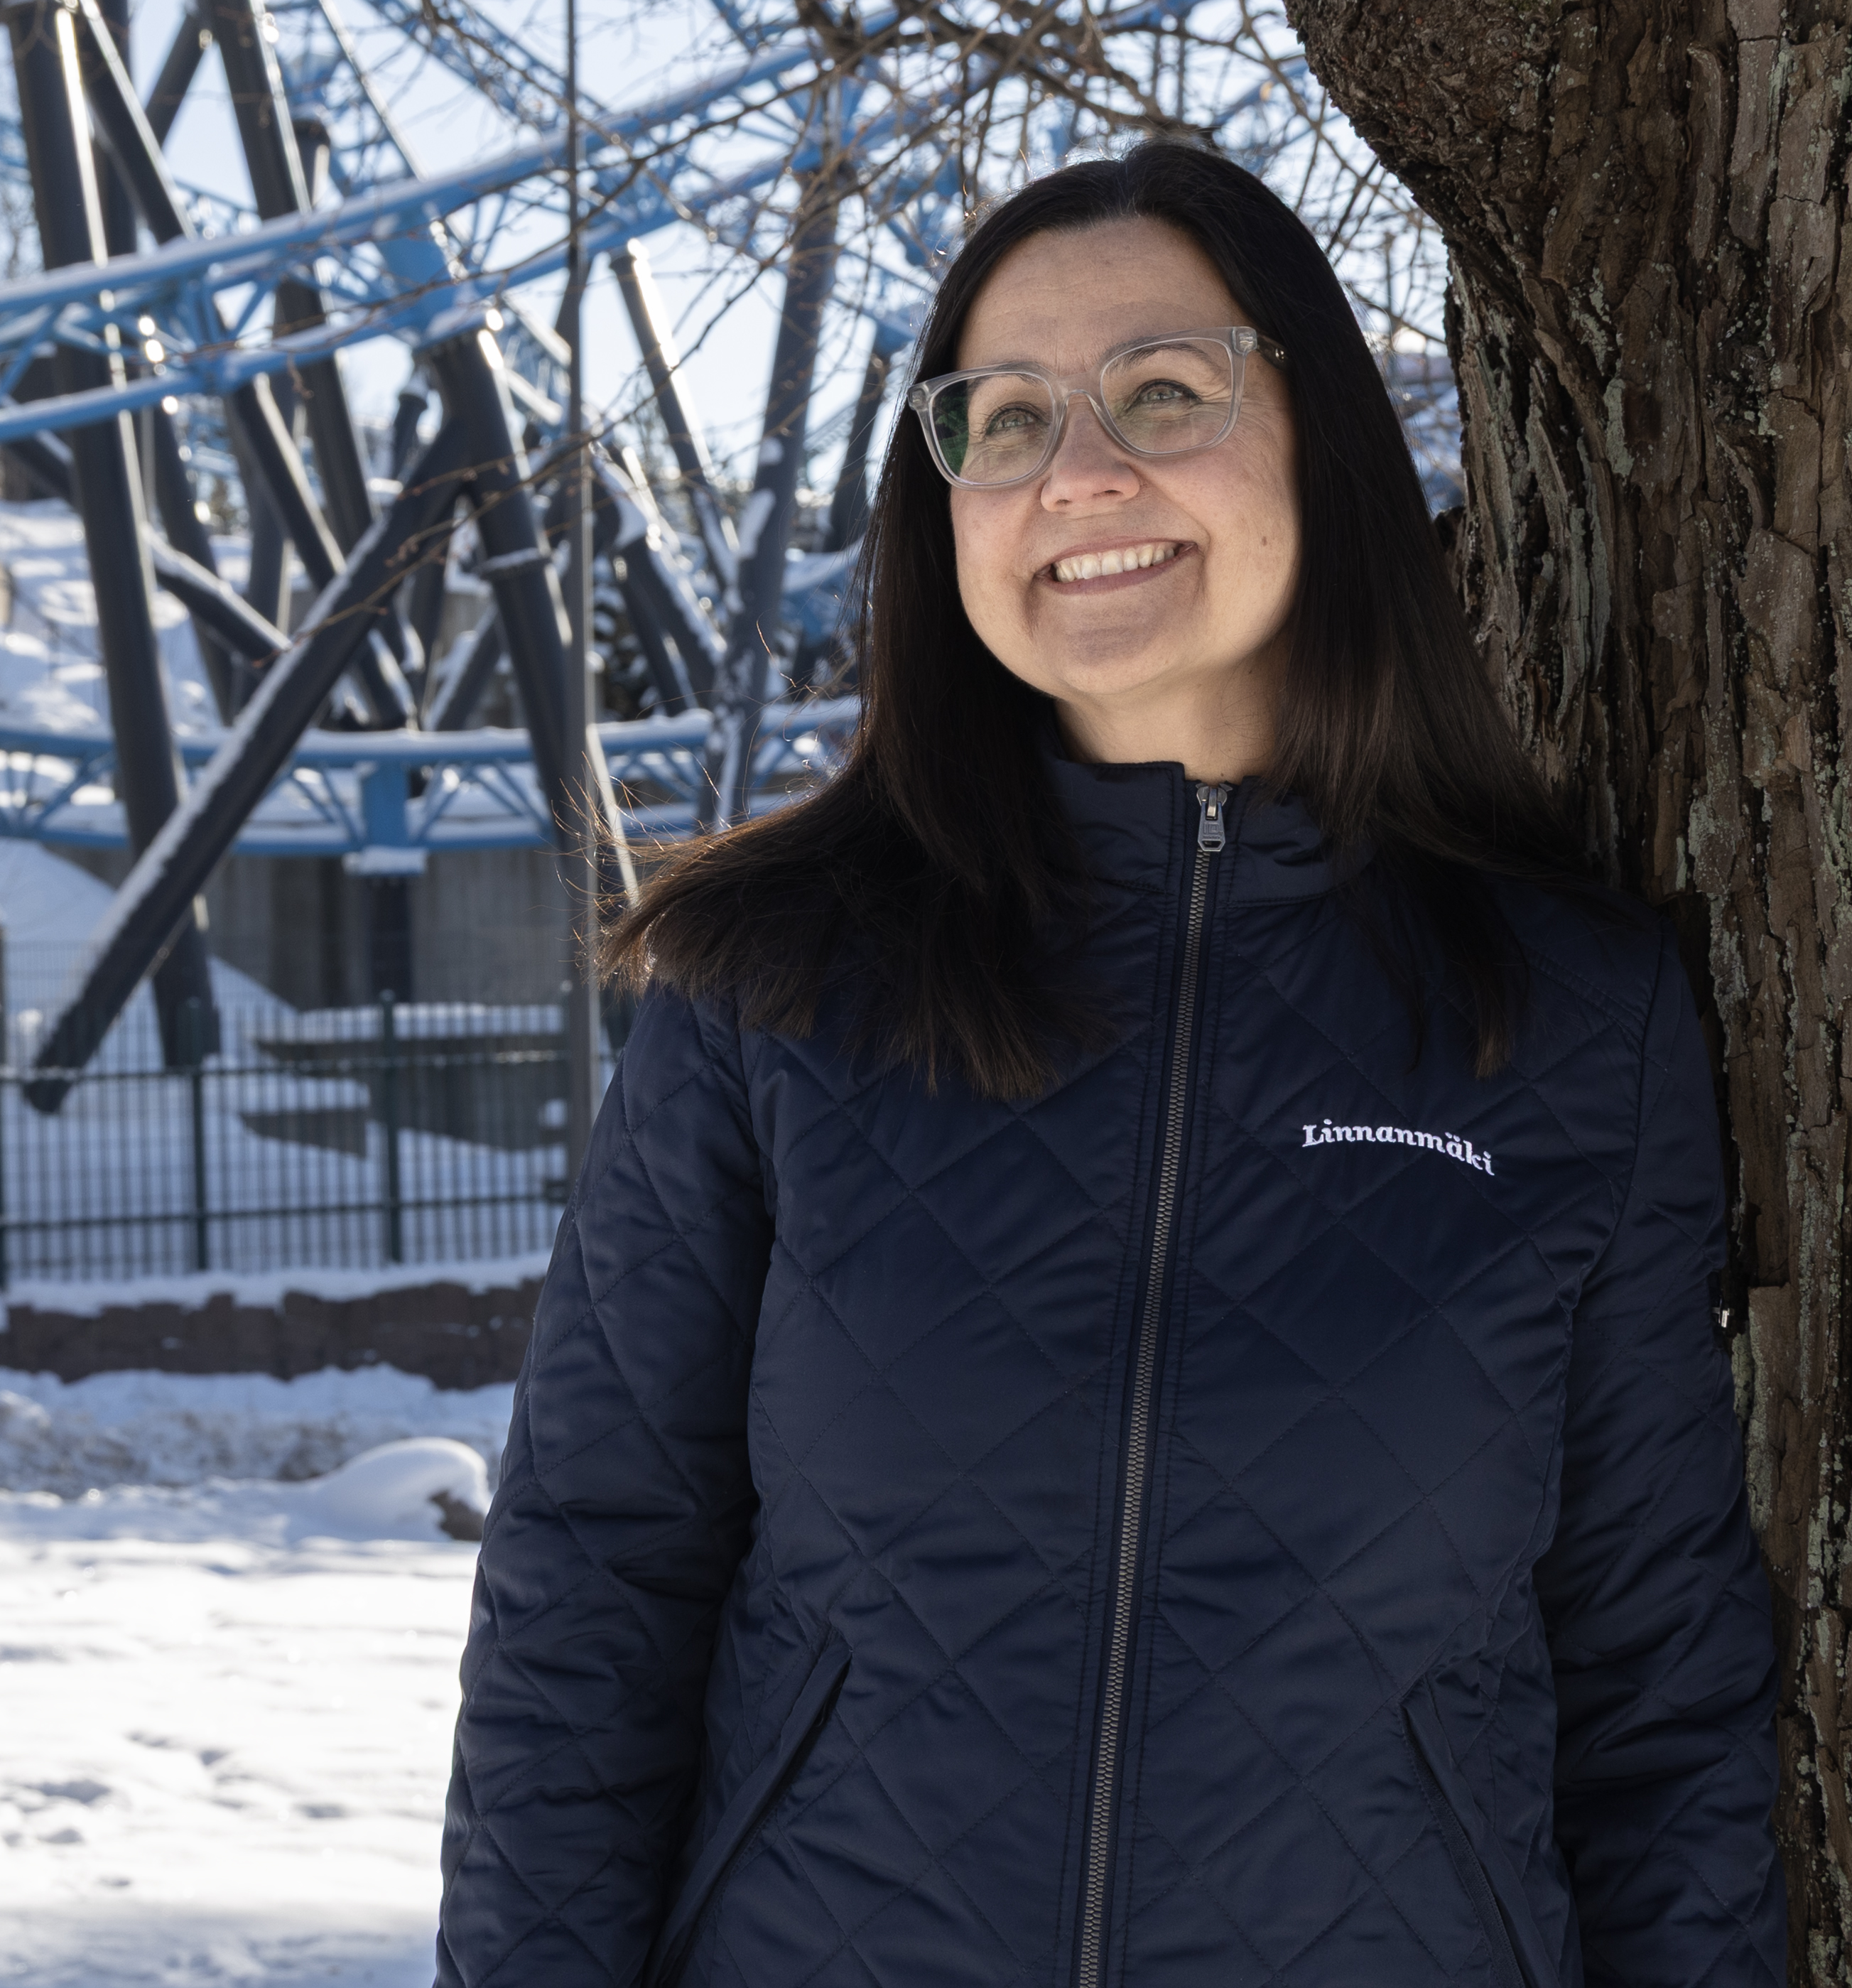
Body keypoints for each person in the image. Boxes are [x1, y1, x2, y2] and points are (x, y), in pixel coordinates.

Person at [436, 140, 1782, 1988]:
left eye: (1162, 391)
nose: (1077, 473)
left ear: (1321, 435)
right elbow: (590, 1598)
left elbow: (1659, 1696)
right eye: (1004, 421)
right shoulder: (773, 982)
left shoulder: (1567, 1016)